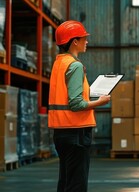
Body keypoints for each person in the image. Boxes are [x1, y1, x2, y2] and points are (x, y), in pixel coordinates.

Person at [48, 20, 111, 192]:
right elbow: (76, 104)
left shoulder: (59, 63)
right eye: (84, 38)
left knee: (66, 182)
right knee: (76, 184)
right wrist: (100, 101)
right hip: (76, 131)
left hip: (61, 132)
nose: (87, 41)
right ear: (74, 41)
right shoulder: (74, 66)